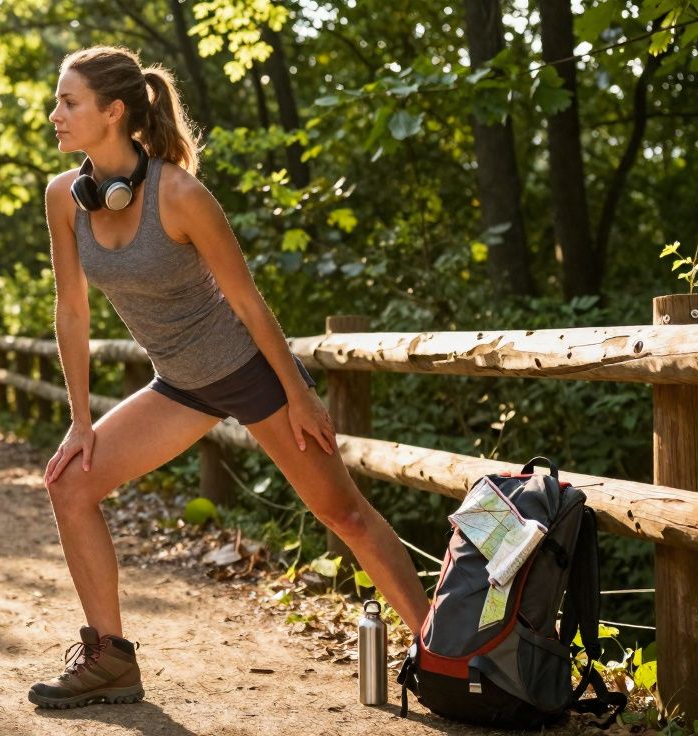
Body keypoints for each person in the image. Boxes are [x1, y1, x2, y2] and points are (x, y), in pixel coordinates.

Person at [29, 46, 430, 710]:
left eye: (69, 102)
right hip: (179, 385)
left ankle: (444, 650)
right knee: (69, 484)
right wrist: (79, 421)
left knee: (344, 514)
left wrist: (299, 393)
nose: (55, 114)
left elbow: (246, 302)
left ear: (114, 111)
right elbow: (71, 311)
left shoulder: (179, 195)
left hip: (248, 373)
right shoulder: (64, 199)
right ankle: (111, 661)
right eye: (58, 102)